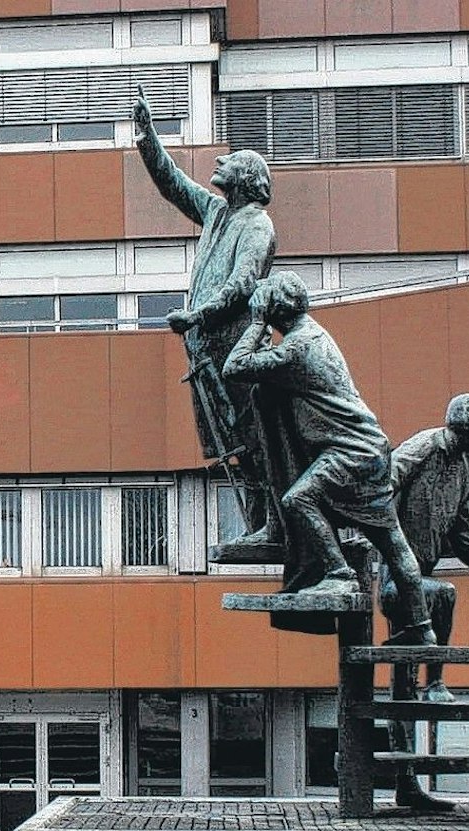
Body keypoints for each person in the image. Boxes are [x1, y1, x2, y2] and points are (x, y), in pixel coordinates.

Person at [221, 272, 432, 644]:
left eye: (264, 303)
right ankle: (422, 629)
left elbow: (234, 367)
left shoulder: (299, 346)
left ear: (274, 307)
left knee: (298, 499)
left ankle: (339, 574)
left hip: (349, 453)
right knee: (392, 544)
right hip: (368, 448)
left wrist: (256, 323)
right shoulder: (314, 335)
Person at [132, 94, 278, 560]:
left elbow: (242, 283)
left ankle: (270, 526)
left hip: (235, 346)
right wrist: (148, 136)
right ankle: (261, 526)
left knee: (251, 439)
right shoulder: (217, 213)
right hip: (204, 349)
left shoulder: (257, 225)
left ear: (248, 179)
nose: (220, 161)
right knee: (231, 444)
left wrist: (197, 315)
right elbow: (173, 184)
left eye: (231, 161)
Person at [380, 393, 469, 810]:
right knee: (445, 594)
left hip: (421, 581)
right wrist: (383, 544)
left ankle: (407, 785)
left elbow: (461, 532)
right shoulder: (424, 447)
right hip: (396, 581)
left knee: (402, 686)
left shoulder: (460, 469)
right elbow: (380, 485)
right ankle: (436, 681)